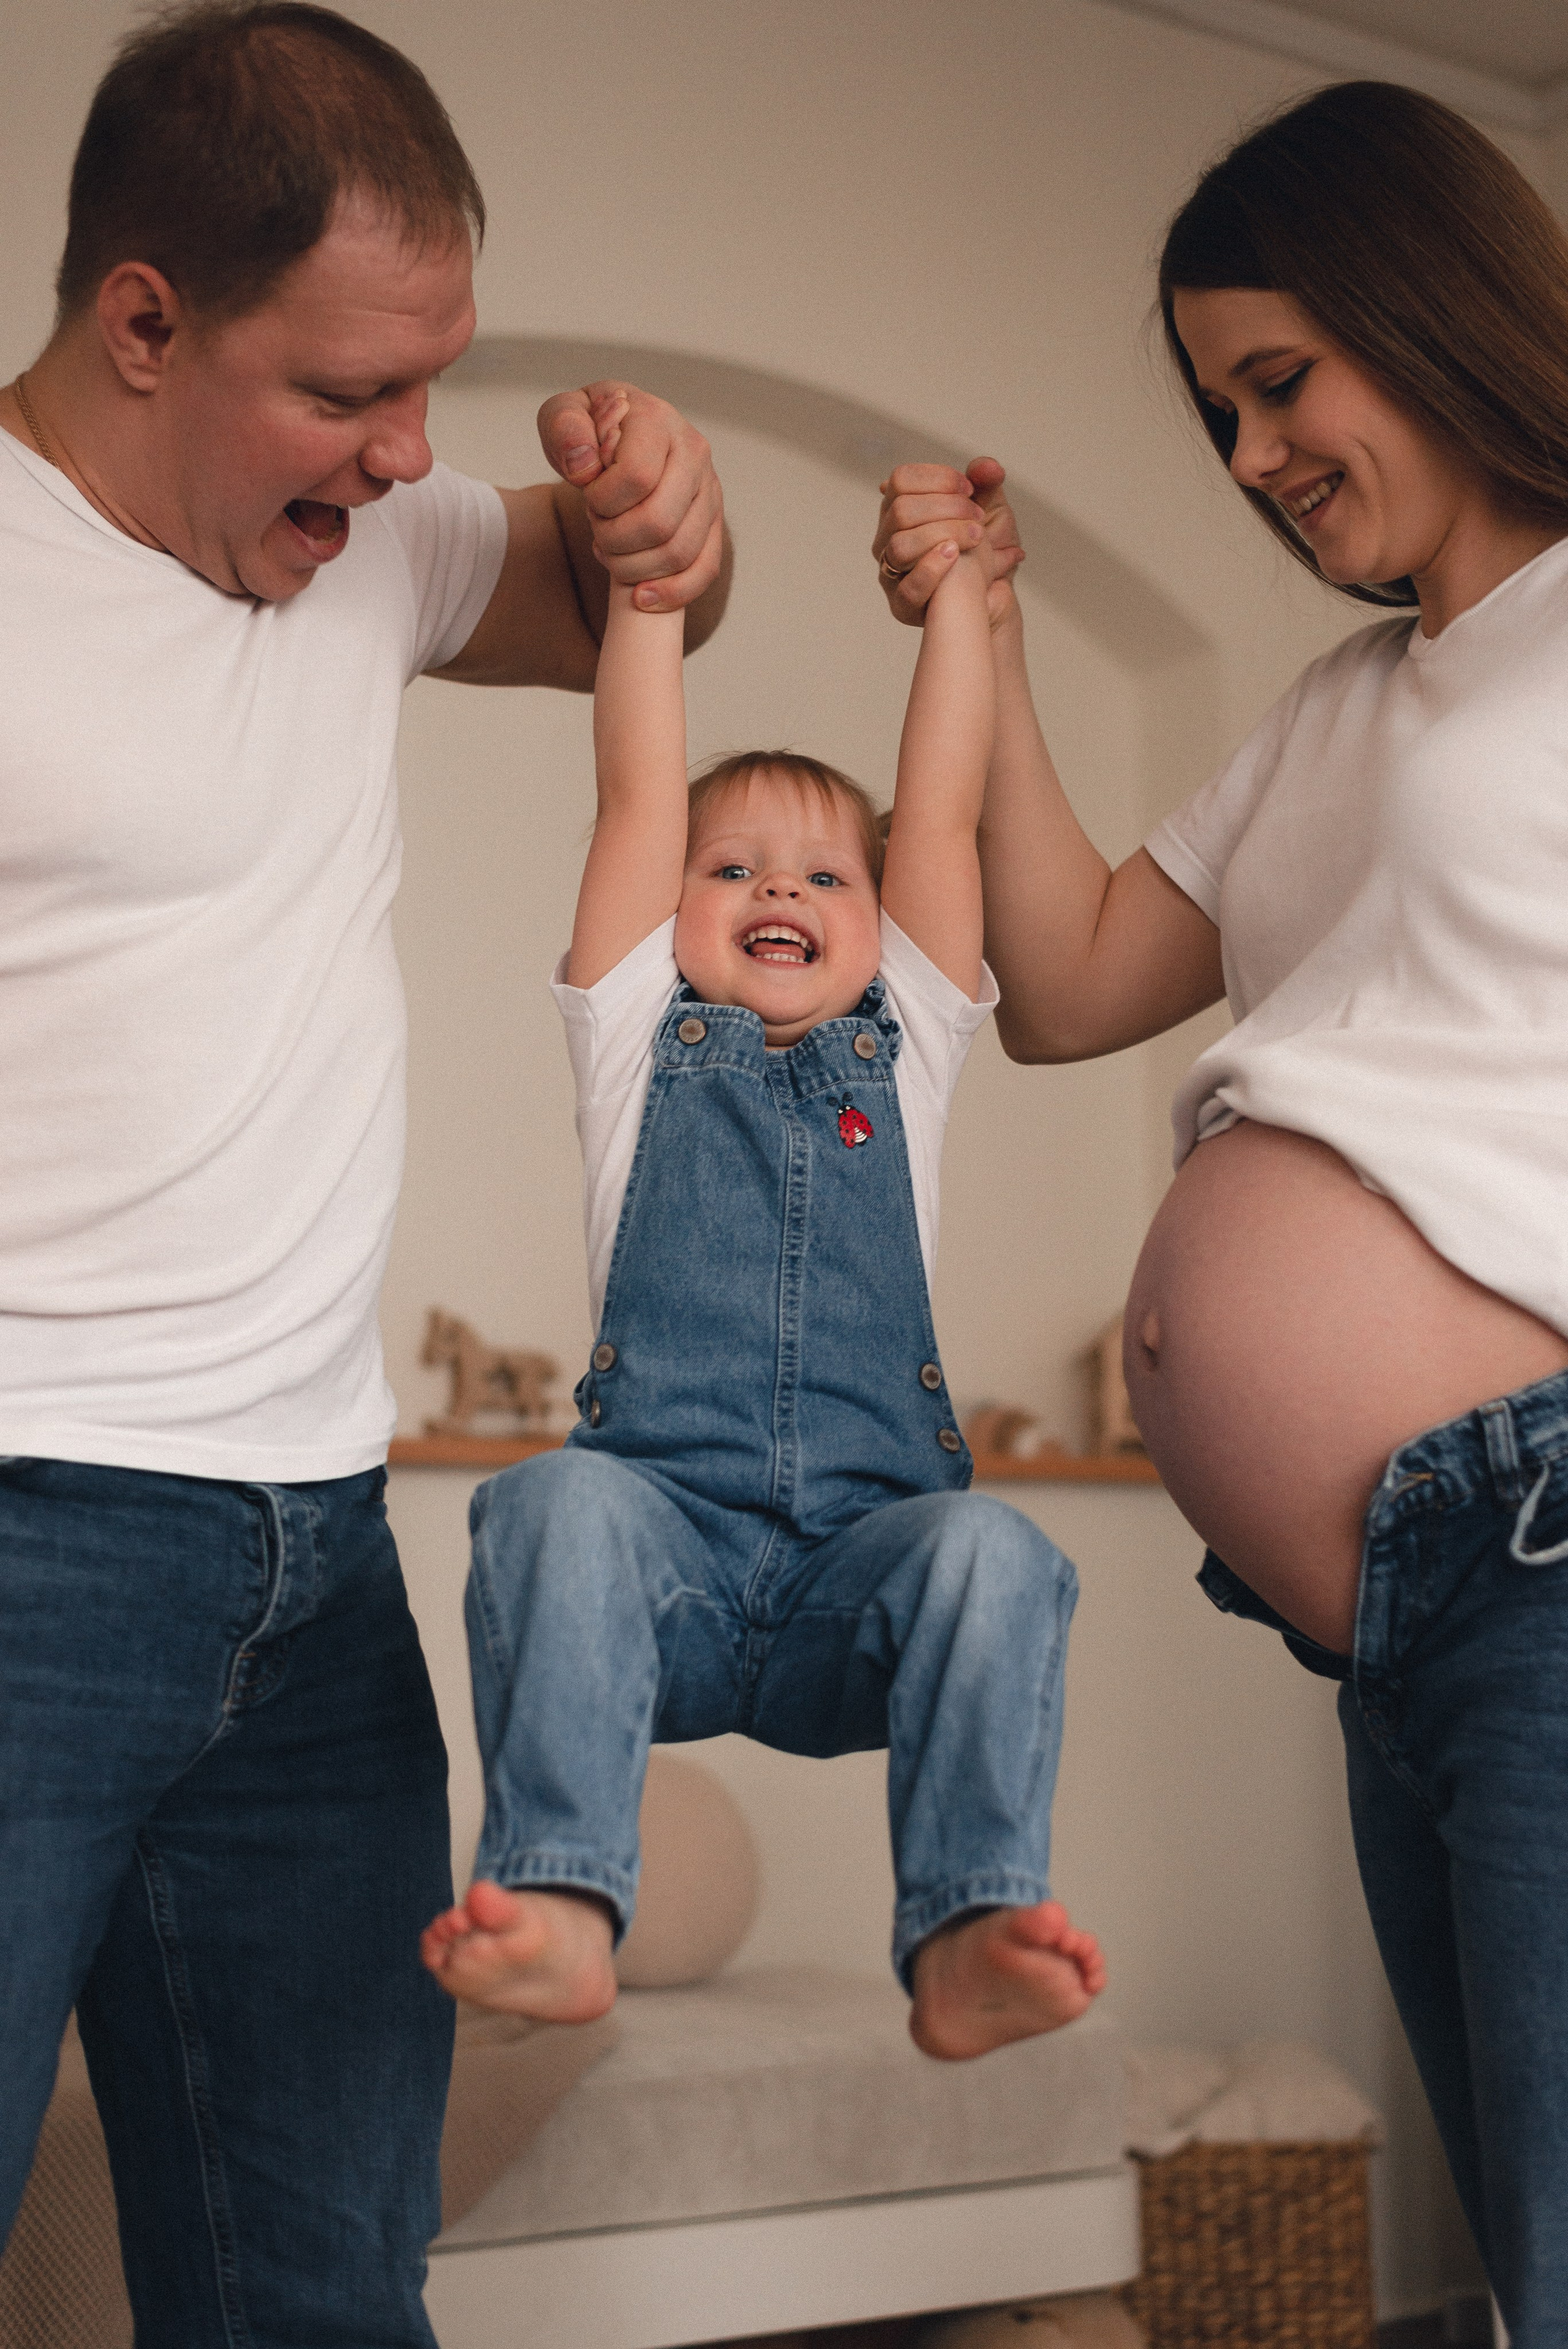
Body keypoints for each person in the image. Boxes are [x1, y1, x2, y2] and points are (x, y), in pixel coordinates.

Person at [0, 6, 729, 2342]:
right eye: (343, 392)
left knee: (324, 2292)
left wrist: (663, 518)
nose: (408, 453)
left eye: (437, 384)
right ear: (142, 321)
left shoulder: (364, 554)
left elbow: (632, 604)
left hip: (316, 1577)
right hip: (28, 1533)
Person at [873, 77, 1568, 2343]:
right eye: (1219, 416)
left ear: (1433, 306)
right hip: (1408, 1607)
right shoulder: (1348, 701)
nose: (1256, 456)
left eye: (1283, 382)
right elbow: (1066, 974)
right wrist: (979, 626)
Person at [419, 389, 1106, 2059]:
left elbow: (935, 809)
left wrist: (959, 596)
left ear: (884, 929)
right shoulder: (634, 1031)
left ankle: (962, 1926)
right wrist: (647, 587)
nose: (783, 893)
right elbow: (637, 779)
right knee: (548, 1505)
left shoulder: (916, 1034)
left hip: (858, 1582)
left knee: (1000, 1554)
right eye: (734, 872)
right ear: (671, 917)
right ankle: (567, 1900)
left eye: (823, 876)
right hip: (668, 1563)